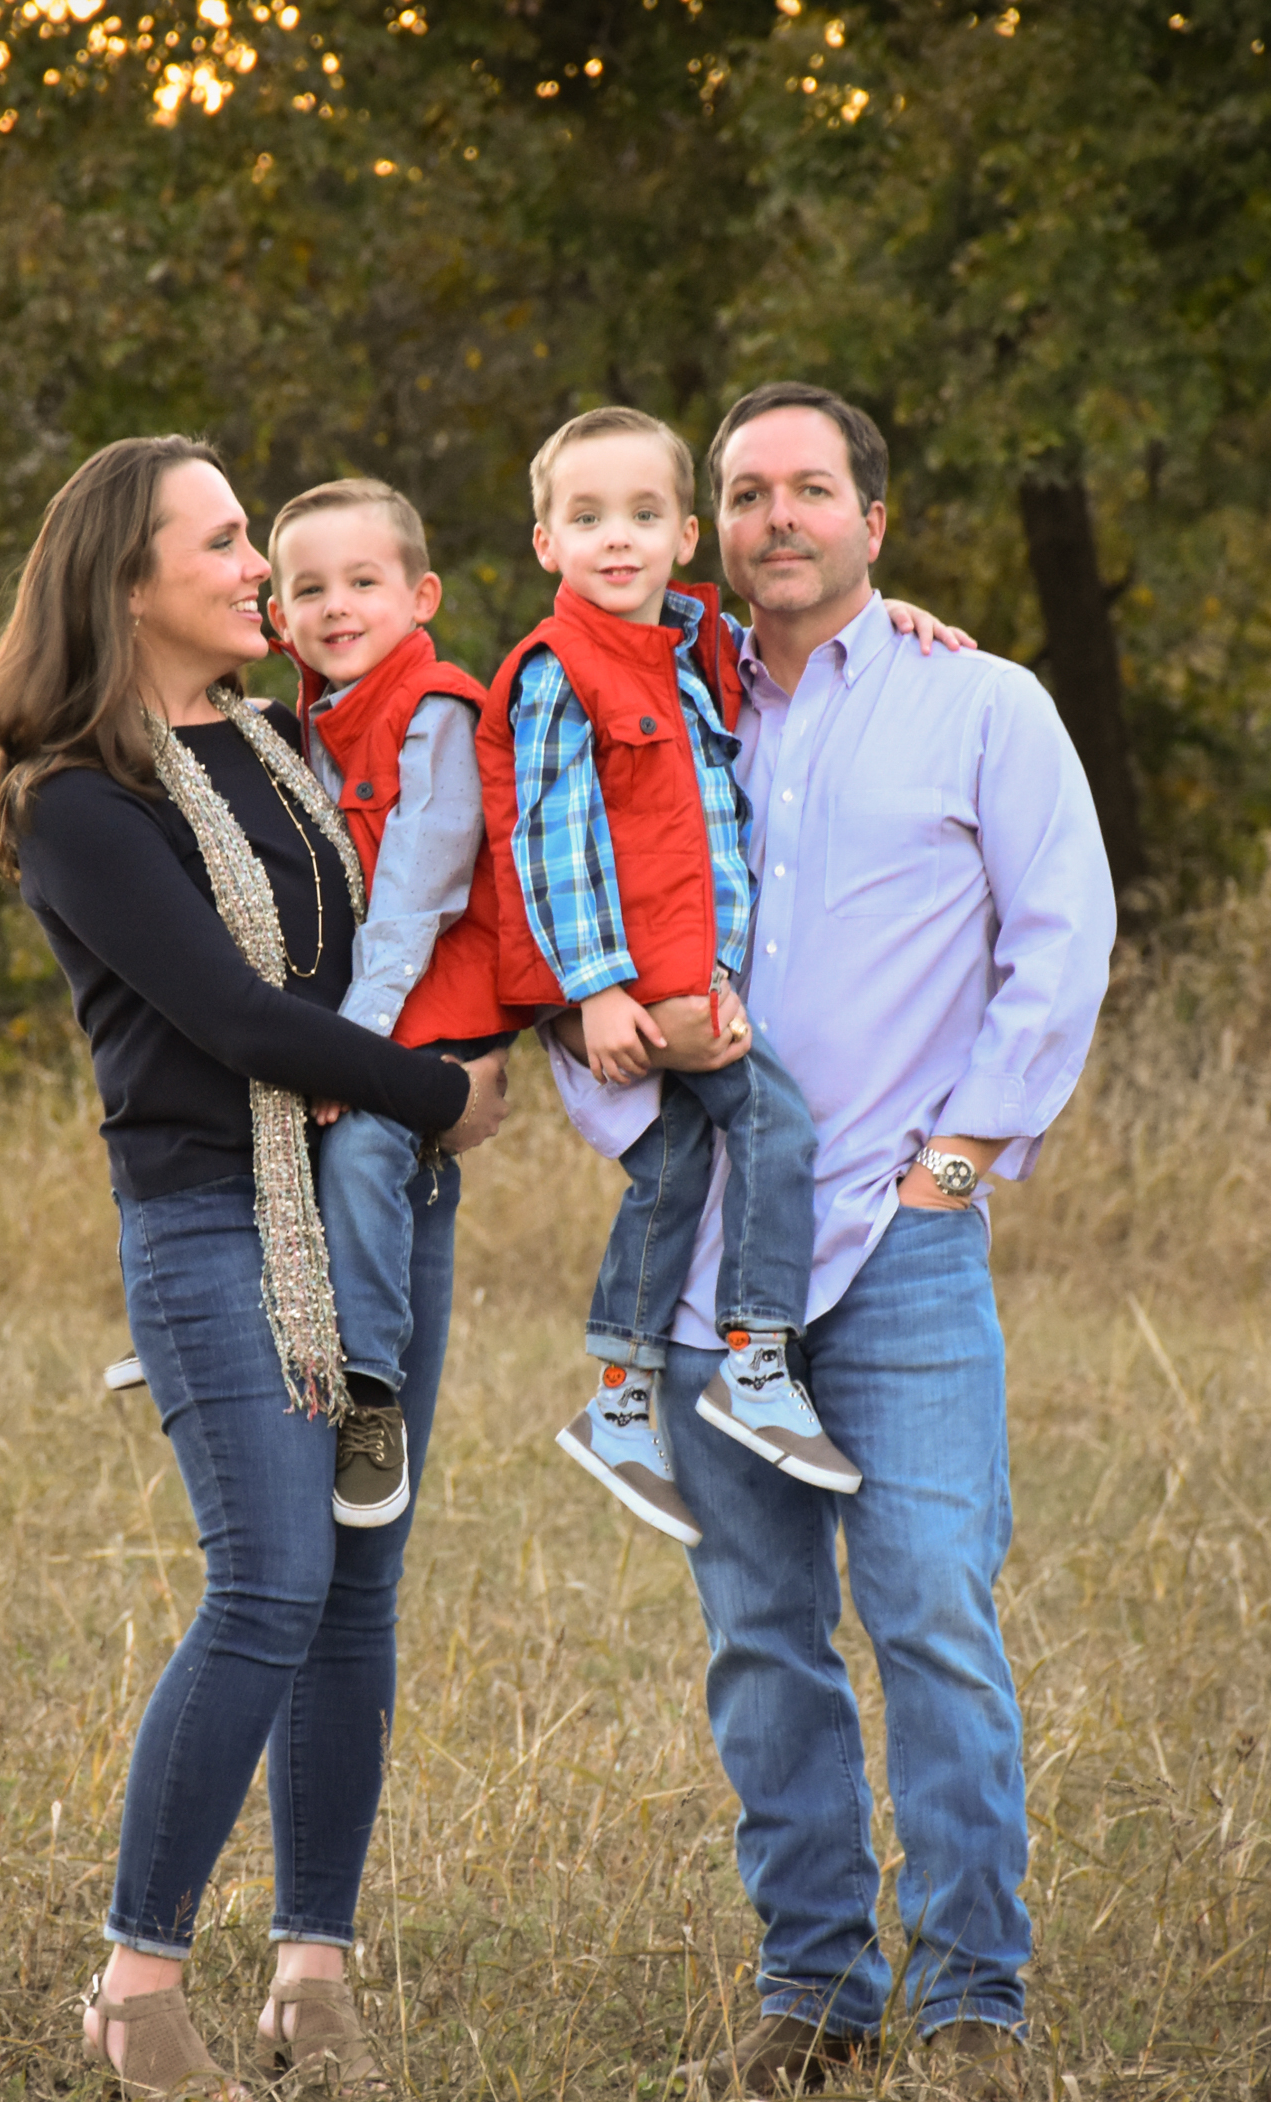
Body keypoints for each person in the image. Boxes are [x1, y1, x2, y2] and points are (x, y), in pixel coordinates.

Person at [548, 383, 1116, 2101]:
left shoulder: (979, 702)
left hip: (901, 1246)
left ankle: (973, 2006)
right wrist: (638, 1130)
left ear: (875, 517)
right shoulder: (647, 691)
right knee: (761, 1637)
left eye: (810, 489)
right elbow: (553, 909)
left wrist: (961, 1158)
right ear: (709, 526)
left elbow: (1062, 937)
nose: (776, 517)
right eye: (745, 492)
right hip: (711, 1254)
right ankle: (813, 1992)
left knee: (931, 1608)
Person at [0, 435, 512, 2102]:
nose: (257, 568)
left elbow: (496, 764)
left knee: (355, 1596)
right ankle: (136, 1988)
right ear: (127, 583)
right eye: (219, 542)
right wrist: (443, 1094)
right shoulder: (80, 802)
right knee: (271, 1583)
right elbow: (236, 1016)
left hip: (380, 1214)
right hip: (217, 1220)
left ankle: (312, 1978)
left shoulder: (290, 742)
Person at [488, 406, 860, 1548]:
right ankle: (757, 1358)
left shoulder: (691, 658)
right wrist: (597, 988)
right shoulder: (561, 669)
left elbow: (704, 839)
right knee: (777, 1126)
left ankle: (619, 1400)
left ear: (686, 536)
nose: (618, 537)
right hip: (632, 984)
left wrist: (900, 617)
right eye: (587, 517)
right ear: (545, 541)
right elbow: (550, 837)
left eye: (644, 514)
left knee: (673, 1167)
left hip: (689, 979)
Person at [265, 478, 523, 1529]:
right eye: (309, 589)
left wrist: (350, 1047)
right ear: (278, 614)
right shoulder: (305, 725)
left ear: (422, 597)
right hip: (362, 1006)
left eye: (363, 583)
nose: (336, 606)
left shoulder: (437, 712)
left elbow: (421, 893)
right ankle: (232, 1330)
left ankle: (371, 1392)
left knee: (367, 1149)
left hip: (427, 1002)